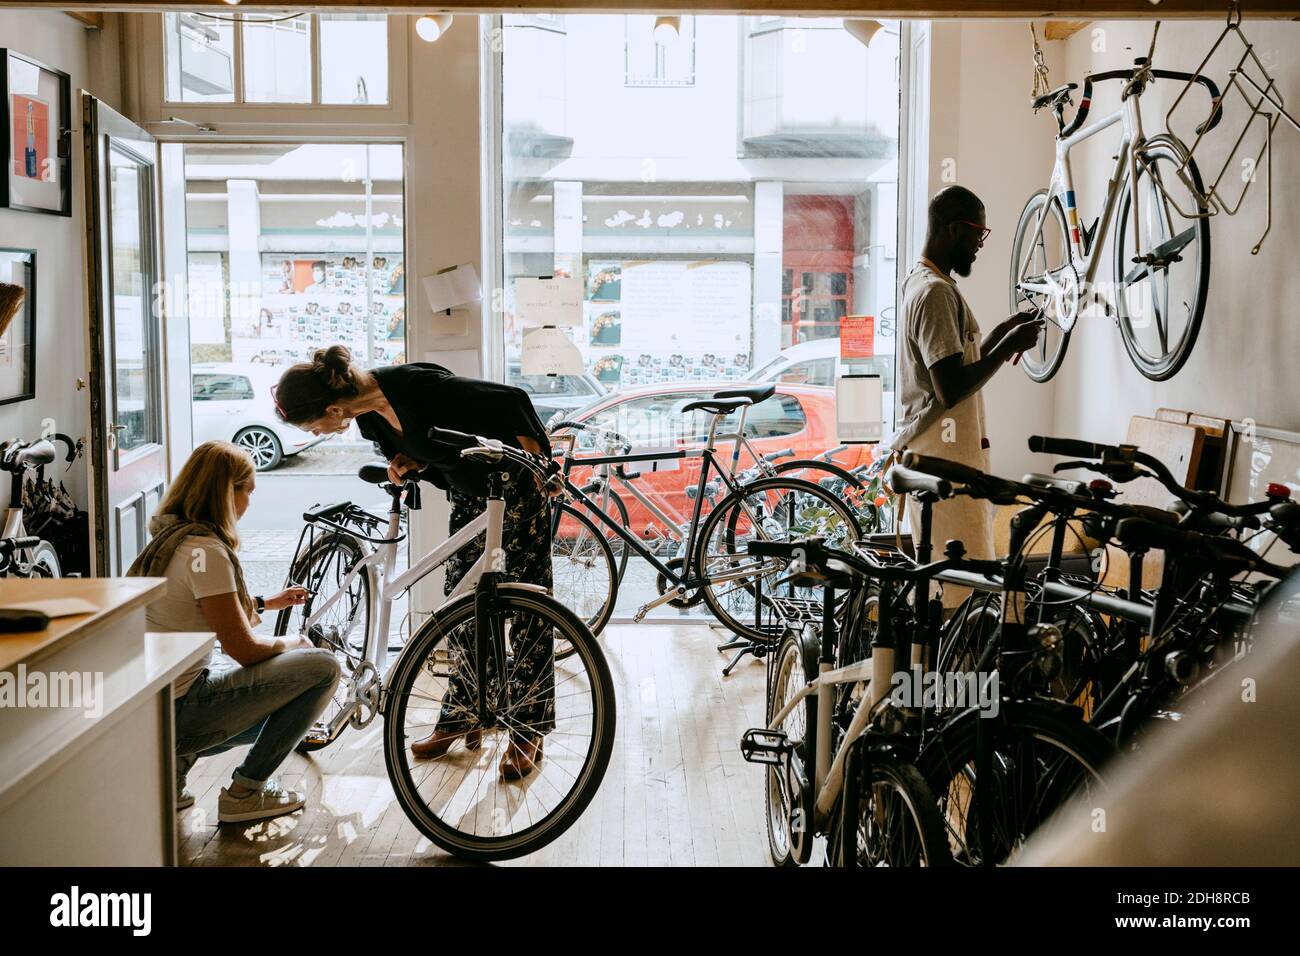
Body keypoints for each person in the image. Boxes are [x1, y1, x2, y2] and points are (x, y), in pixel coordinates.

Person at [271, 345, 556, 779]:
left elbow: (511, 401)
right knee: (460, 610)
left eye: (314, 426)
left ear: (332, 406)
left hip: (516, 489)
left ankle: (527, 730)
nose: (318, 434)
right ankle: (461, 714)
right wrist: (406, 464)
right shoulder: (368, 418)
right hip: (472, 496)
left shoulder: (417, 387)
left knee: (525, 608)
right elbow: (427, 450)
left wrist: (541, 463)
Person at [128, 441, 340, 823]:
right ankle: (246, 791)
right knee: (321, 669)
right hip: (178, 715)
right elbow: (245, 649)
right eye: (248, 491)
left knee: (218, 669)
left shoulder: (173, 538)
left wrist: (264, 604)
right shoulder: (207, 551)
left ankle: (168, 777)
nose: (250, 502)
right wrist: (296, 642)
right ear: (227, 493)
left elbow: (201, 609)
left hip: (149, 707)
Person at [891, 185, 1042, 607]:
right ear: (955, 229)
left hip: (938, 457)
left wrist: (1002, 334)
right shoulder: (936, 293)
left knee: (950, 592)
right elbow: (951, 387)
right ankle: (955, 676)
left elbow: (959, 359)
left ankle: (945, 673)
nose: (979, 245)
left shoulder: (924, 281)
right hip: (946, 463)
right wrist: (1008, 348)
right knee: (964, 599)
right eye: (977, 235)